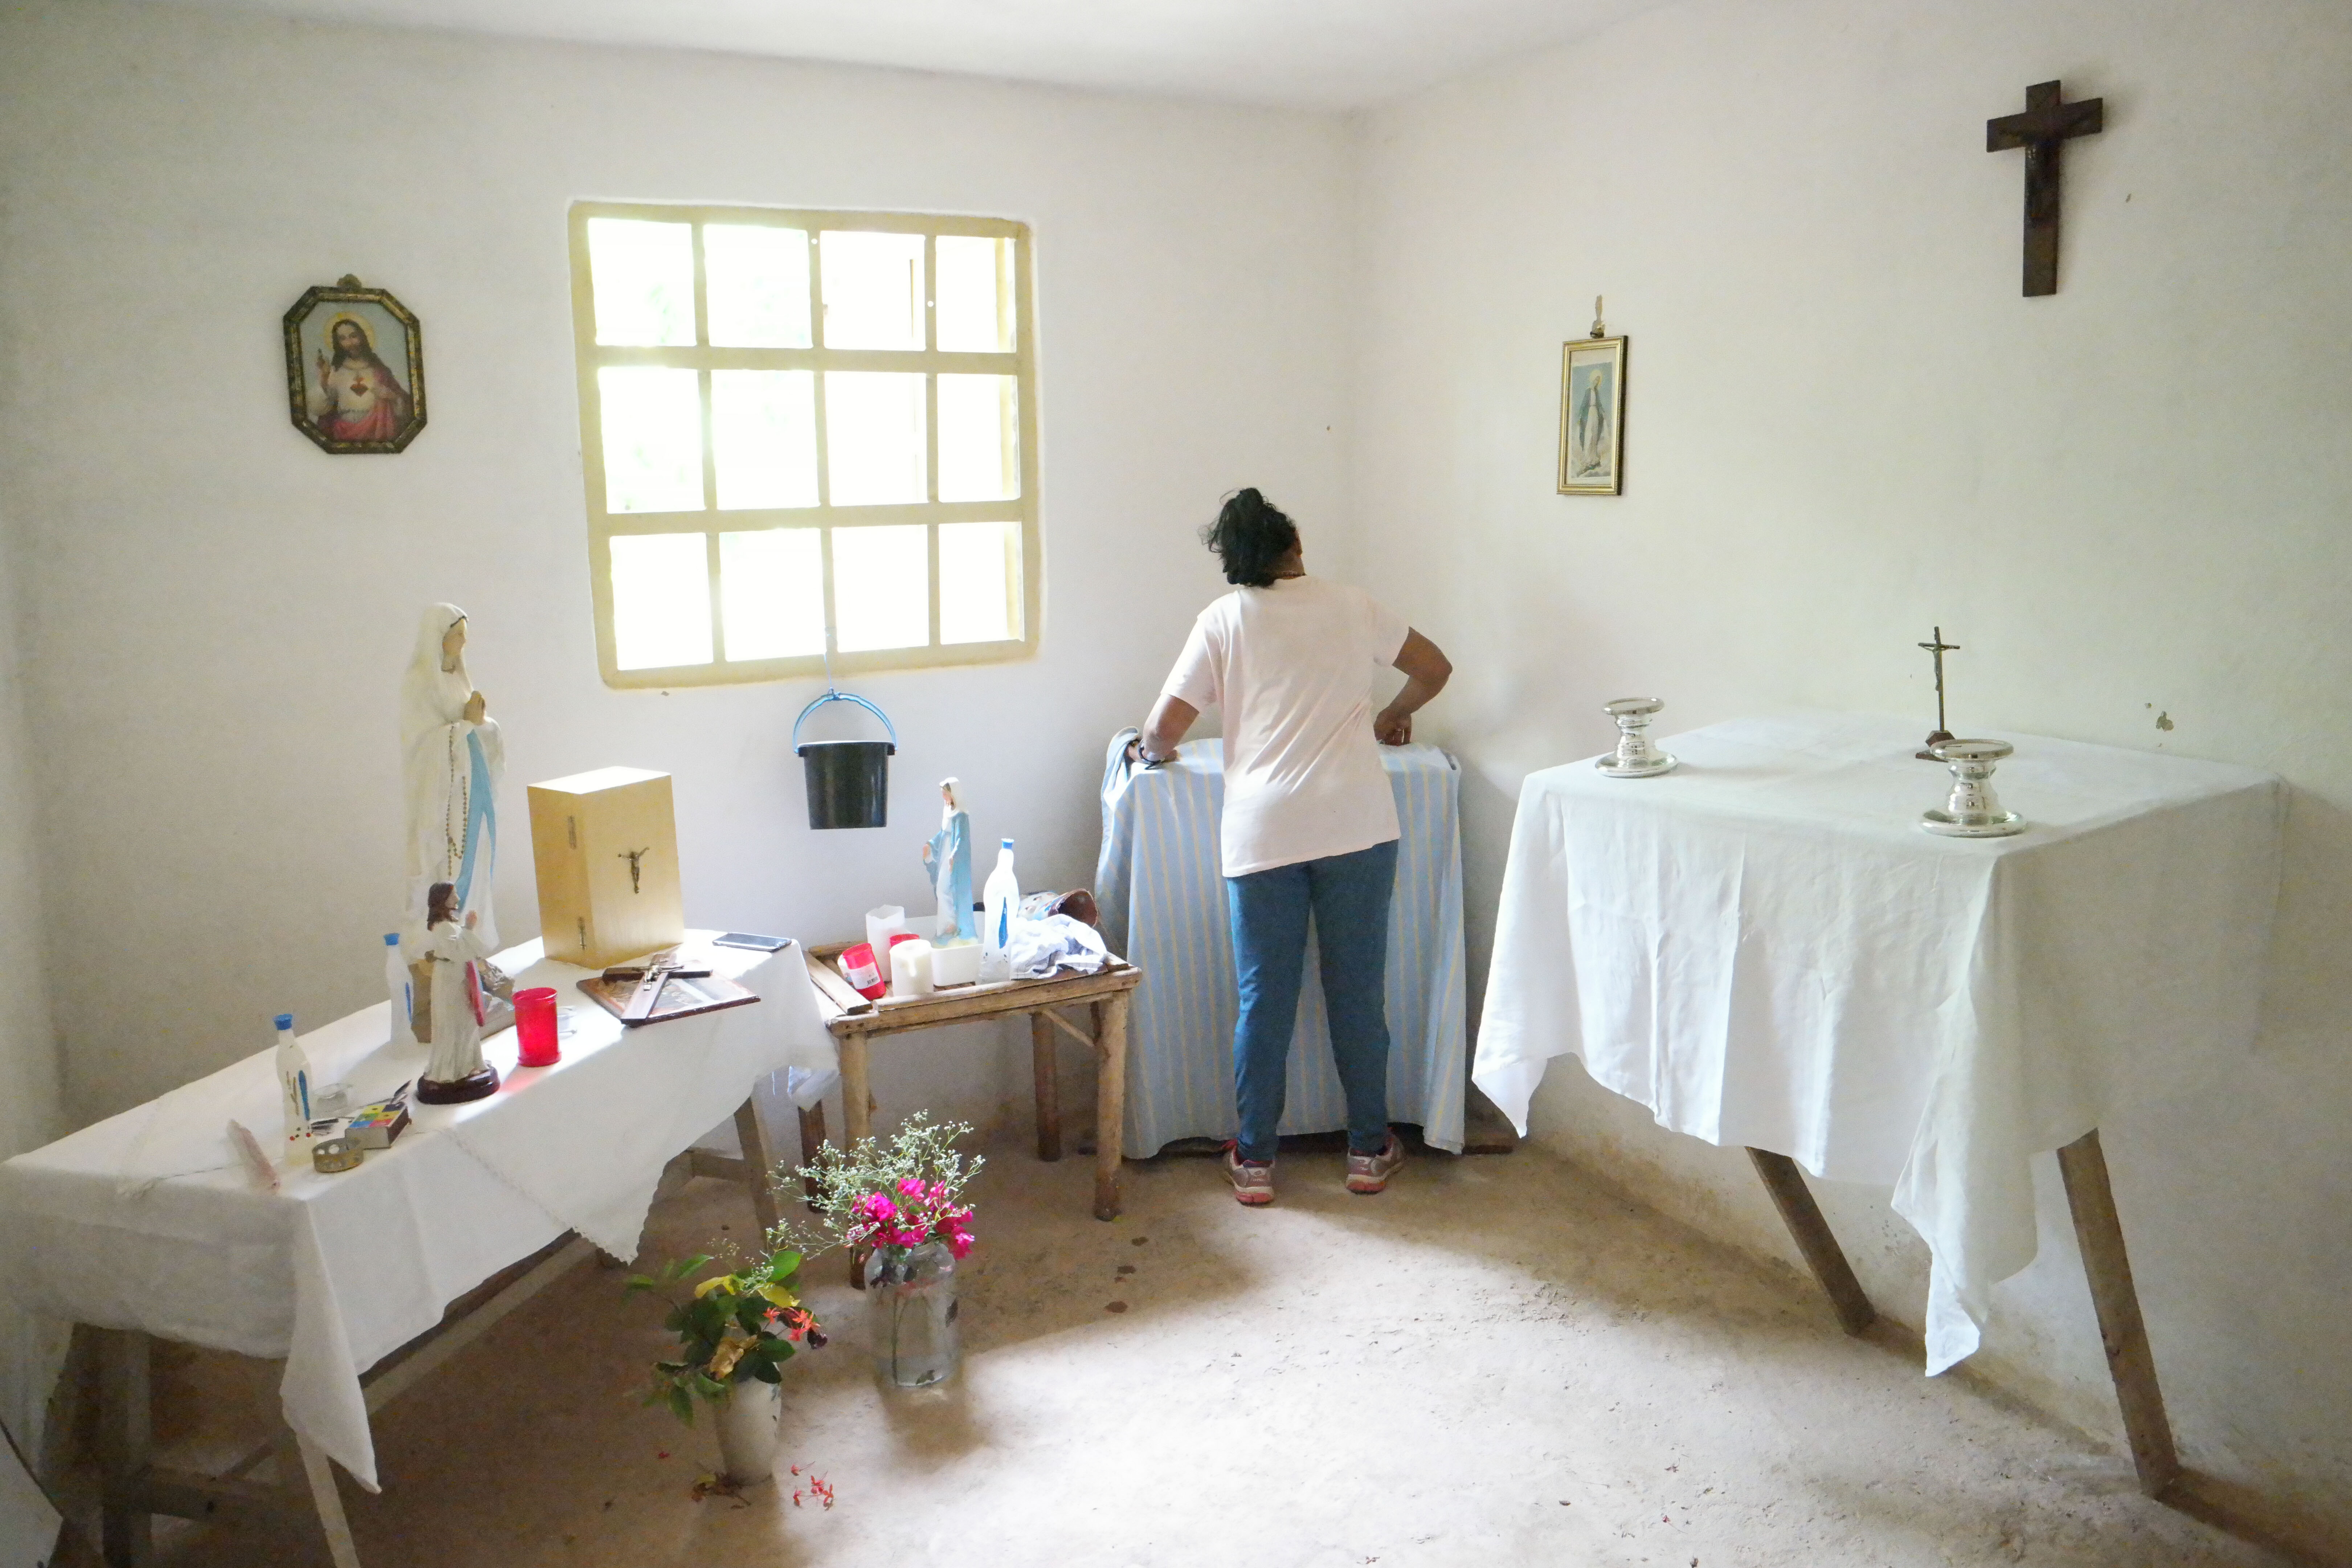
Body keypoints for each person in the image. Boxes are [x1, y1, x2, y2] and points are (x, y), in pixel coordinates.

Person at [1135, 488, 1451, 1205]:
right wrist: (1392, 715)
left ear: (1237, 564)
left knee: (1264, 1001)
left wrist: (1148, 753)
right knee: (1357, 994)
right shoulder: (1353, 605)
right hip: (1356, 825)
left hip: (1264, 832)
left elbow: (1162, 731)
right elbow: (1434, 668)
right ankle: (1368, 1151)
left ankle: (1254, 1160)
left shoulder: (1223, 620)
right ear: (1296, 544)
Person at [400, 604, 503, 946]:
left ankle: (472, 936)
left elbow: (472, 727)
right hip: (446, 791)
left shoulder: (459, 680)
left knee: (479, 847)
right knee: (451, 862)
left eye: (464, 635)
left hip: (473, 780)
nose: (463, 642)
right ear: (438, 637)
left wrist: (481, 723)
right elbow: (421, 743)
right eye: (457, 635)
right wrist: (465, 725)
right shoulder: (419, 683)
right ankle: (445, 942)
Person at [308, 315, 412, 444]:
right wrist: (324, 377)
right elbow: (319, 410)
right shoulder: (335, 371)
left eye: (354, 336)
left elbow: (407, 407)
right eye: (343, 339)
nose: (350, 343)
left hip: (377, 431)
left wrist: (392, 396)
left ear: (362, 337)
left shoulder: (380, 372)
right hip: (341, 434)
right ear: (338, 343)